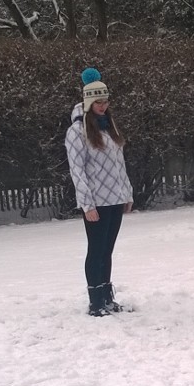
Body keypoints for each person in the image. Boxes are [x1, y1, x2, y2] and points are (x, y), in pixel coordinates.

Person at [65, 68, 134, 316]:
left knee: (108, 250)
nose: (103, 106)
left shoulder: (109, 127)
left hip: (115, 199)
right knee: (96, 250)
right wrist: (87, 204)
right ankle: (96, 301)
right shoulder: (76, 132)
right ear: (88, 103)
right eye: (98, 102)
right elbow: (77, 170)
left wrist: (127, 193)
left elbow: (119, 163)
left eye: (105, 101)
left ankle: (107, 297)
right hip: (96, 202)